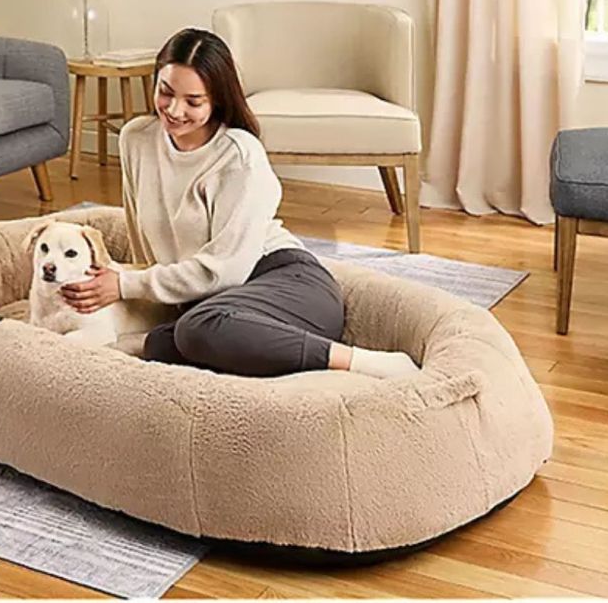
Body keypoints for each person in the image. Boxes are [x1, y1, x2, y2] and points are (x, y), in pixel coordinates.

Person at [60, 28, 419, 379]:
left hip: (287, 283)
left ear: (217, 98)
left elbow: (226, 270)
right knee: (195, 329)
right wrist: (126, 285)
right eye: (165, 92)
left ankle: (364, 361)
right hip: (214, 307)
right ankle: (172, 342)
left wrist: (126, 284)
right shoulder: (136, 139)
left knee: (197, 330)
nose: (174, 109)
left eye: (193, 101)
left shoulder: (238, 155)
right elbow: (143, 233)